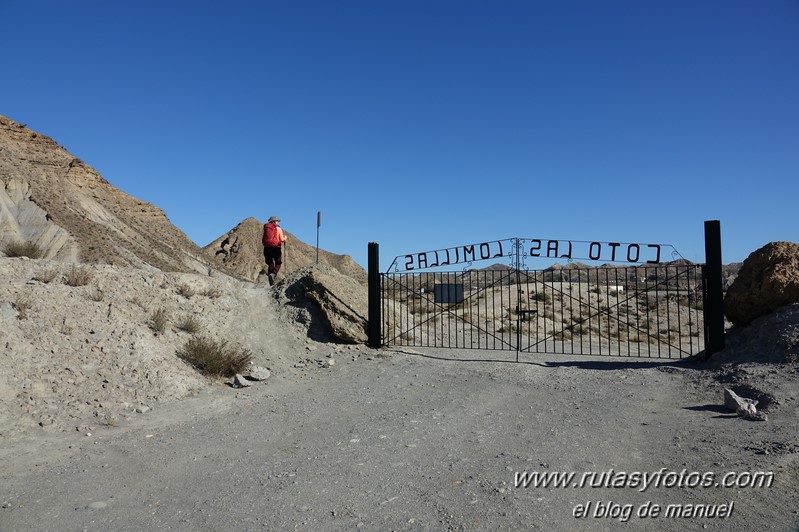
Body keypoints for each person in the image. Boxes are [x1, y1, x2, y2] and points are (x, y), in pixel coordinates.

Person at [262, 215, 287, 285]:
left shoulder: (266, 228)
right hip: (276, 248)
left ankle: (271, 282)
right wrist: (285, 237)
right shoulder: (278, 229)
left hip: (267, 248)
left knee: (270, 263)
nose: (278, 222)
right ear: (275, 221)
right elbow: (282, 239)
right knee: (278, 263)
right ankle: (273, 274)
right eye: (277, 221)